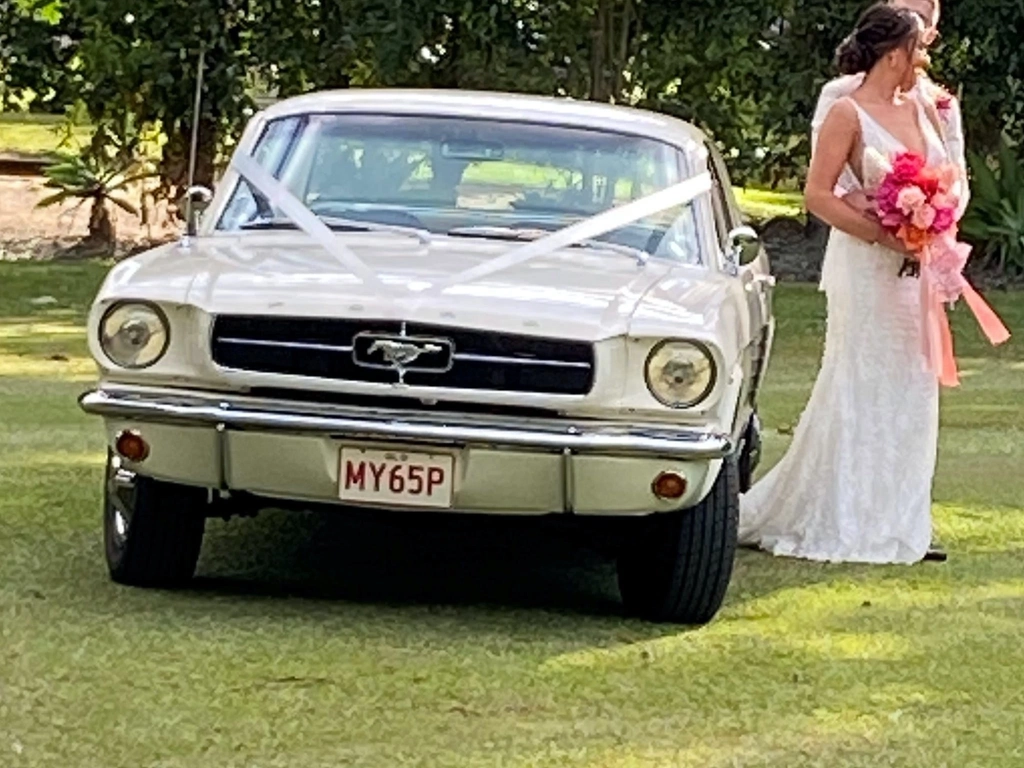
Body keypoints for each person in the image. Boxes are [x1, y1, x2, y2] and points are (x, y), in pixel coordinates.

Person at [738, 4, 954, 564]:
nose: (924, 59)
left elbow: (946, 175)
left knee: (914, 386)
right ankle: (847, 515)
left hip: (918, 275)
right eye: (917, 50)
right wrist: (884, 236)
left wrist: (934, 221)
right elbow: (819, 194)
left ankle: (901, 518)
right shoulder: (848, 111)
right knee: (862, 383)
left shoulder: (925, 108)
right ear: (892, 55)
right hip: (868, 271)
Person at [812, 0, 967, 221]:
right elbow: (822, 177)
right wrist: (847, 201)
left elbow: (956, 177)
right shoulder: (841, 97)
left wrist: (935, 223)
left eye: (919, 18)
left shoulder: (938, 106)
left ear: (930, 35)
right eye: (899, 12)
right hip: (858, 231)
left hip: (924, 246)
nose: (907, 22)